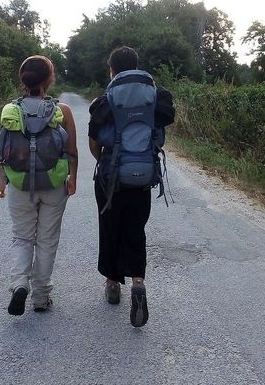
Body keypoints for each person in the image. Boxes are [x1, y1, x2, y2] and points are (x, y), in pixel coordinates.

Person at [88, 46, 174, 327]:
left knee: (110, 229)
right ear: (137, 66)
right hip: (142, 178)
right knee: (136, 231)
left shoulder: (105, 100)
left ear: (112, 69)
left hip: (111, 179)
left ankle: (113, 284)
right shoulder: (154, 97)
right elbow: (158, 136)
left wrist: (105, 162)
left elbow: (93, 141)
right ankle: (138, 283)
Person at [0, 55, 78, 316]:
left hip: (20, 184)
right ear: (49, 80)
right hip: (53, 183)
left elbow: (4, 150)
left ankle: (20, 284)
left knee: (22, 238)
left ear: (22, 79)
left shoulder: (10, 110)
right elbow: (71, 150)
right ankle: (41, 296)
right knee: (47, 240)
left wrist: (2, 182)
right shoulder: (61, 110)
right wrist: (73, 177)